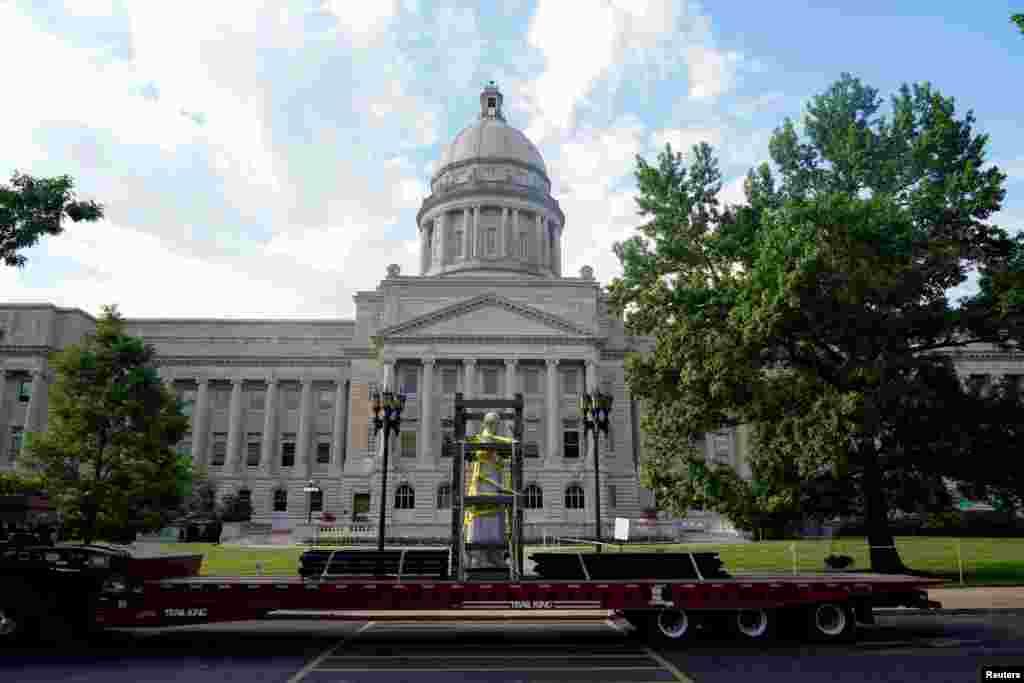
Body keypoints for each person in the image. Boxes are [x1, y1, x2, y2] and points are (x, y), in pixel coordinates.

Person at [463, 411, 516, 569]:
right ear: (488, 423)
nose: (496, 427)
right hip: (485, 482)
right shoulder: (486, 436)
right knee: (485, 517)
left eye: (497, 424)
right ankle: (481, 557)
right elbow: (496, 441)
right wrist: (512, 439)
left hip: (492, 481)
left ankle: (494, 555)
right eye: (495, 423)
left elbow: (501, 446)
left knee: (493, 516)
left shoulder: (490, 437)